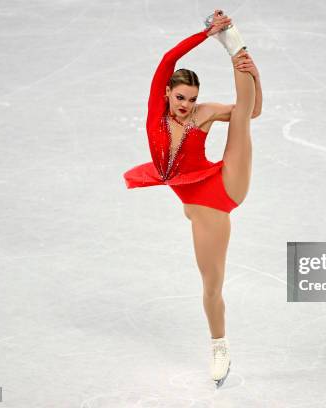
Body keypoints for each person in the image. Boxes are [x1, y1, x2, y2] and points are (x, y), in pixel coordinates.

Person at [123, 9, 262, 387]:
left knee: (212, 285)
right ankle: (227, 38)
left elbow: (253, 110)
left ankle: (219, 345)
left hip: (221, 193)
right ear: (167, 92)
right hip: (195, 199)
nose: (186, 104)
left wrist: (253, 73)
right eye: (180, 96)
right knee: (209, 280)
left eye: (192, 98)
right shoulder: (157, 114)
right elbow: (168, 59)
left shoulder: (203, 114)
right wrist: (204, 33)